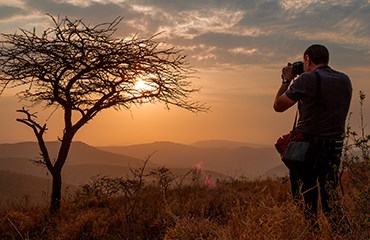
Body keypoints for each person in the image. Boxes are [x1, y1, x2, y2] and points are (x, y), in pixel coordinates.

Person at [273, 44, 352, 232]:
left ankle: (312, 234)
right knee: (330, 200)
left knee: (305, 198)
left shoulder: (307, 79)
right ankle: (345, 234)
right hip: (335, 145)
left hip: (307, 147)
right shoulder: (344, 80)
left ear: (307, 58)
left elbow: (279, 105)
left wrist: (287, 79)